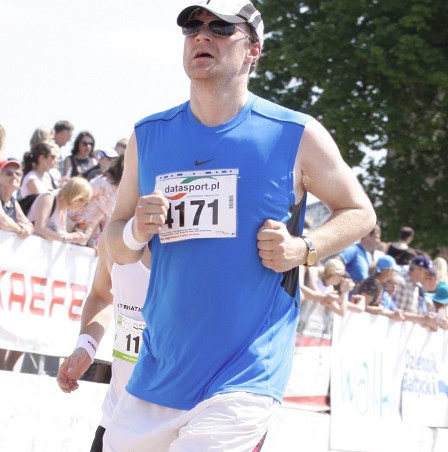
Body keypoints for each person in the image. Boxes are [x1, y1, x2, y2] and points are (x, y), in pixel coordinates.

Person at [102, 1, 376, 450]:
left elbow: (360, 211)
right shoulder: (148, 135)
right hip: (158, 369)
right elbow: (115, 243)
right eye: (193, 26)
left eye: (220, 28)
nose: (201, 35)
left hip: (244, 376)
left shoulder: (295, 133)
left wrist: (303, 248)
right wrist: (135, 230)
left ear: (254, 50)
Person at [56, 235, 151, 451]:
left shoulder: (196, 240)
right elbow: (101, 295)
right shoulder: (114, 234)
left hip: (177, 423)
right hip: (117, 417)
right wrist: (86, 346)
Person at [69, 155, 124, 248]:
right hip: (77, 225)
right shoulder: (105, 183)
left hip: (89, 231)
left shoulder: (117, 187)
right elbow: (113, 213)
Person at [27, 176, 92, 244]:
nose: (83, 206)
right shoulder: (48, 198)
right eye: (84, 202)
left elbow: (60, 235)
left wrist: (74, 237)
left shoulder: (64, 208)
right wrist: (66, 237)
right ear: (76, 197)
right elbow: (39, 229)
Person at [338, 224, 381, 290]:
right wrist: (347, 280)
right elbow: (336, 263)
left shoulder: (369, 255)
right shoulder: (353, 250)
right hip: (346, 294)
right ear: (367, 235)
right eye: (377, 237)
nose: (379, 241)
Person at [0, 159, 34, 238]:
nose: (14, 176)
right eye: (9, 173)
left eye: (18, 174)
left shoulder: (12, 201)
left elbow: (28, 224)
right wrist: (19, 229)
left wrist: (28, 228)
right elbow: (2, 221)